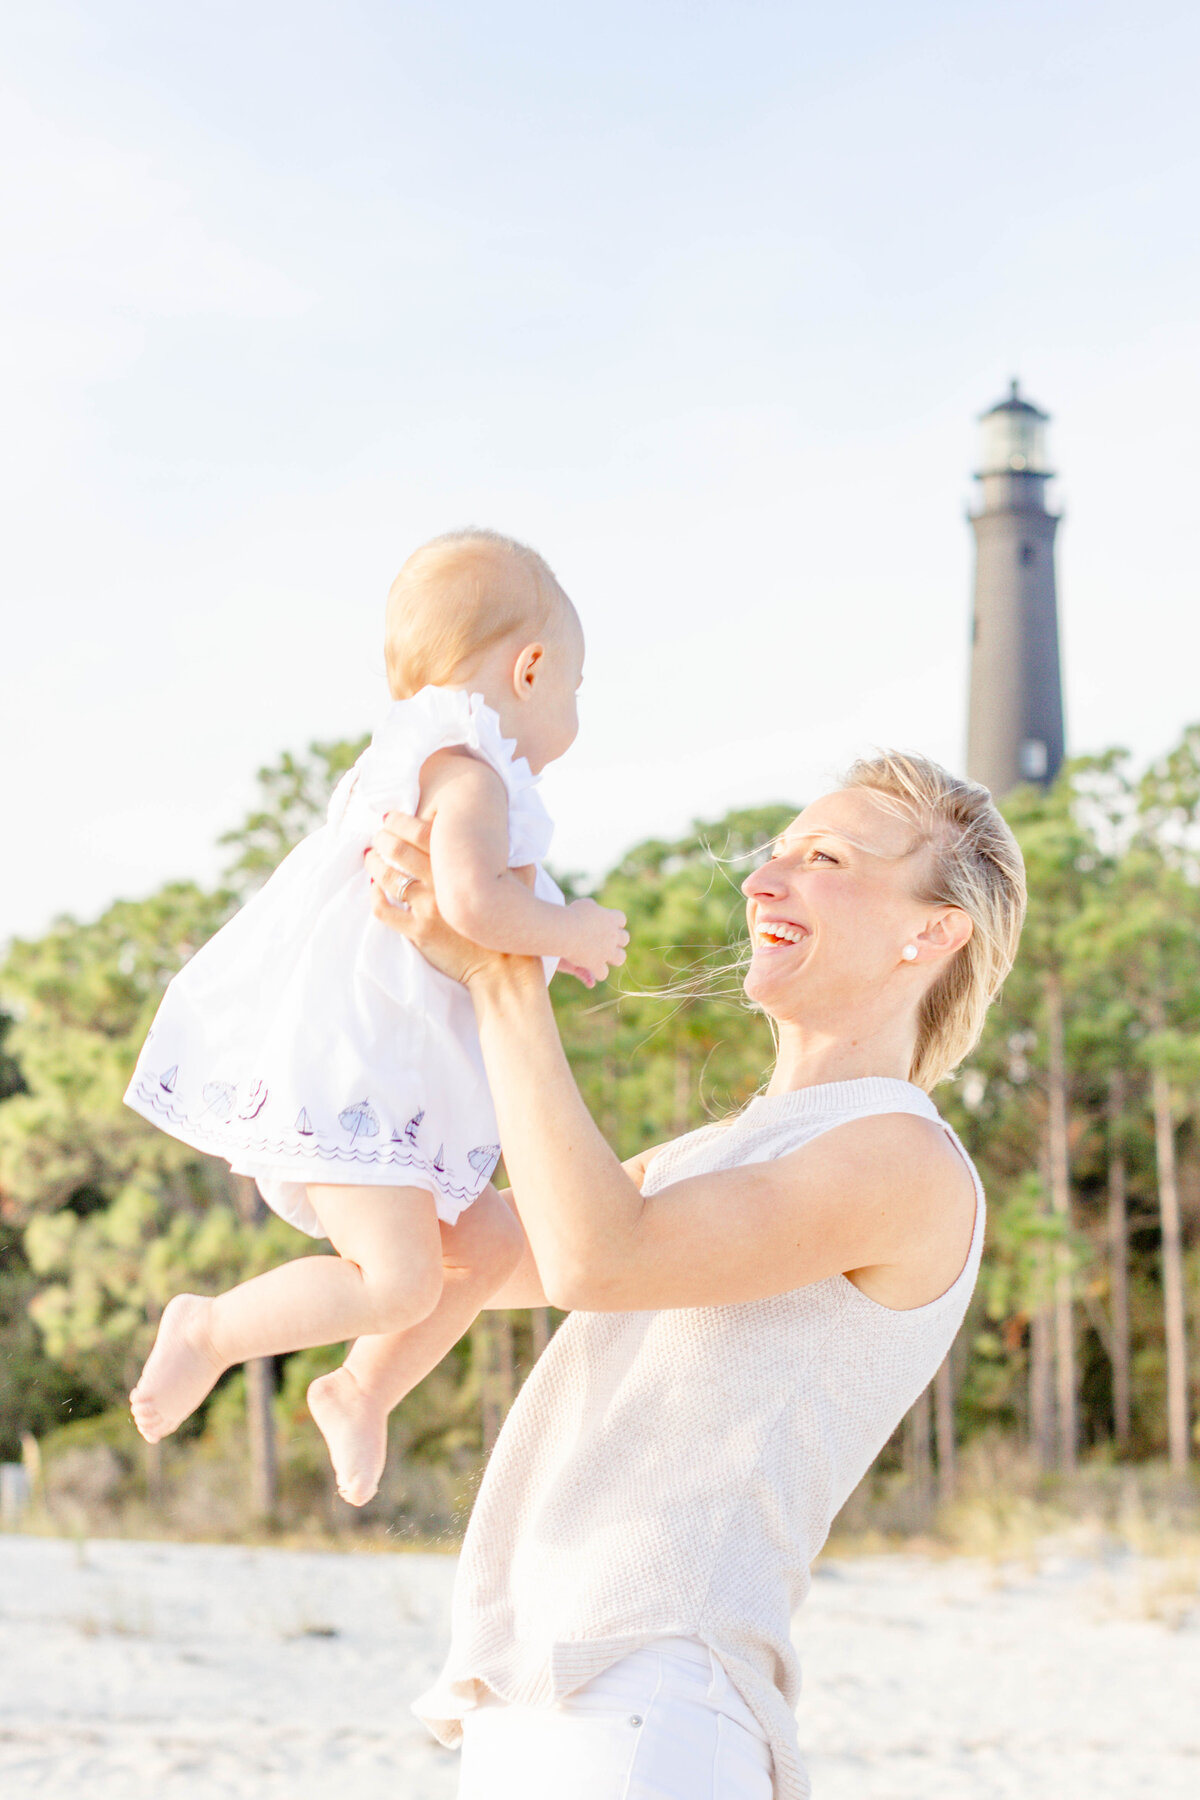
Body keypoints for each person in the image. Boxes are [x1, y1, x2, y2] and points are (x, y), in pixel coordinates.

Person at [354, 751, 1026, 1800]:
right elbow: (459, 1250)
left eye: (827, 859)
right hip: (550, 1699)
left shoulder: (904, 1159)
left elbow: (596, 1257)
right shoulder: (700, 1159)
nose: (764, 880)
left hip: (647, 1699)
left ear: (932, 932)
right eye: (776, 856)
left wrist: (503, 973)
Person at [122, 530, 628, 1504]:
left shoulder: (420, 765)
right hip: (363, 1076)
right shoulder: (469, 772)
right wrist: (573, 927)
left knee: (481, 1248)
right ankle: (208, 1329)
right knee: (398, 1282)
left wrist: (544, 936)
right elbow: (473, 908)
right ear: (531, 670)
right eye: (574, 685)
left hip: (385, 1073)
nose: (573, 709)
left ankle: (363, 1387)